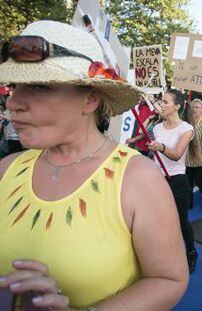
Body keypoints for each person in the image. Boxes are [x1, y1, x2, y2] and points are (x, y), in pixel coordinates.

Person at [0, 21, 188, 310]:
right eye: (15, 86)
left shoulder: (138, 179)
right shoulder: (6, 169)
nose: (13, 102)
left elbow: (169, 279)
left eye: (39, 86)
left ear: (89, 99)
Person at [148, 89, 198, 273]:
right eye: (161, 101)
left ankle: (191, 252)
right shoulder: (157, 128)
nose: (162, 104)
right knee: (158, 220)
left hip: (177, 181)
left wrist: (160, 147)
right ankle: (162, 254)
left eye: (166, 101)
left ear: (177, 106)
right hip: (157, 180)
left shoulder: (186, 129)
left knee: (181, 221)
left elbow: (177, 154)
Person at [185, 98, 202, 208]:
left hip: (200, 157)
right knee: (188, 183)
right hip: (187, 157)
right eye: (193, 107)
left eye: (197, 107)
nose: (194, 109)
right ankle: (189, 203)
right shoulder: (187, 121)